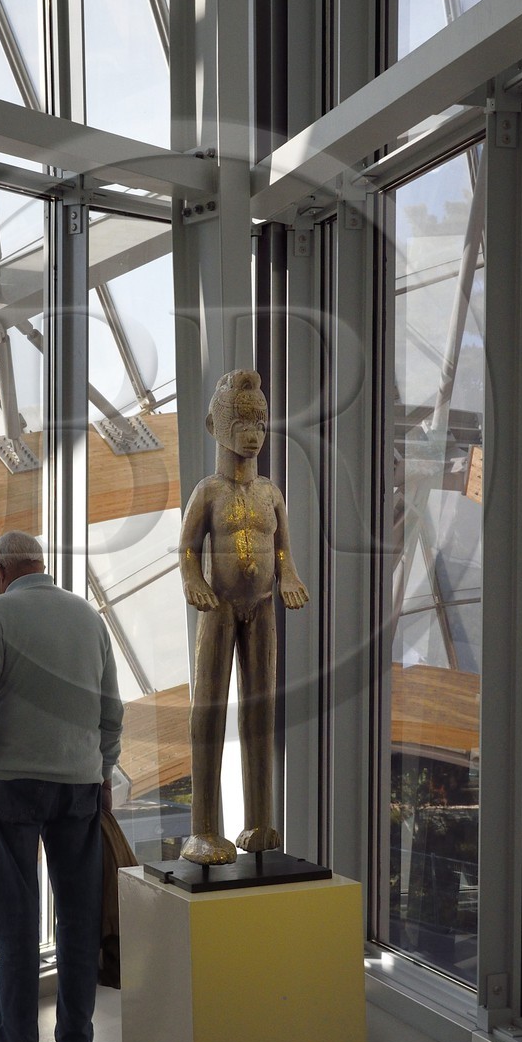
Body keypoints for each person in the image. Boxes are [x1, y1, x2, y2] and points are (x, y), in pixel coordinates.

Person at [0, 530, 122, 1042]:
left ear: (1, 572)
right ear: (40, 566)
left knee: (16, 918)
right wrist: (102, 767)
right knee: (78, 918)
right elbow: (111, 710)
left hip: (12, 783)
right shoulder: (89, 619)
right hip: (78, 783)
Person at [179, 369, 308, 864]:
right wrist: (193, 581)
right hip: (221, 606)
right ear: (216, 424)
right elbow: (189, 549)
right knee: (209, 710)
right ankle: (203, 829)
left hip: (262, 609)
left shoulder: (271, 493)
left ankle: (260, 822)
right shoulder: (208, 492)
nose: (253, 432)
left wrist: (290, 578)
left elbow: (282, 551)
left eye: (260, 420)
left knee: (260, 710)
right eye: (242, 420)